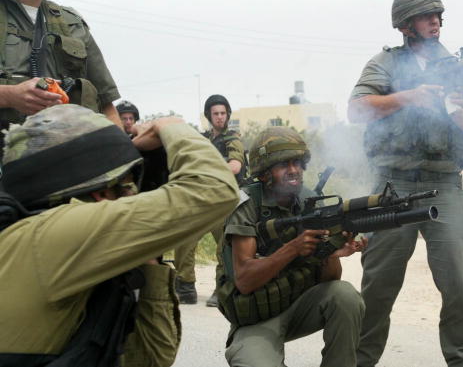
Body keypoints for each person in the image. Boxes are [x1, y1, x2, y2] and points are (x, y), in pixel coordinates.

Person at [0, 104, 239, 366]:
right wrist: (171, 125)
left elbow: (149, 359)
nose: (134, 195)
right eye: (127, 184)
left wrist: (149, 258)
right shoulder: (53, 235)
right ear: (100, 192)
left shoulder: (54, 245)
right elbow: (216, 187)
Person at [347, 0, 463, 366]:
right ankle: (360, 361)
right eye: (427, 16)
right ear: (405, 24)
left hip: (444, 184)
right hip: (393, 185)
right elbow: (357, 109)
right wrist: (410, 97)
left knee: (460, 280)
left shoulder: (458, 70)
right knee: (378, 285)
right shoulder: (386, 63)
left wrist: (456, 112)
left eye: (439, 16)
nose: (436, 22)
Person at [217, 126, 366, 366]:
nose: (294, 170)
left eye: (297, 163)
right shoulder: (246, 205)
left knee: (346, 296)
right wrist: (294, 248)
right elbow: (244, 280)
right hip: (256, 318)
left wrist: (329, 250)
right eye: (284, 165)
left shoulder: (308, 200)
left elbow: (331, 279)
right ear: (265, 173)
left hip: (298, 306)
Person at [0, 0, 123, 145]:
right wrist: (9, 96)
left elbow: (106, 105)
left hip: (68, 157)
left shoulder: (71, 23)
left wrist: (120, 151)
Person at [174, 94, 246, 306]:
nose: (220, 117)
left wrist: (207, 167)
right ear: (209, 115)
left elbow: (235, 167)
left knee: (224, 247)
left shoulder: (233, 139)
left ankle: (221, 289)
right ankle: (186, 287)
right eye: (215, 113)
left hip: (224, 201)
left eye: (223, 113)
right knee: (184, 239)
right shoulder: (202, 140)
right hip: (202, 199)